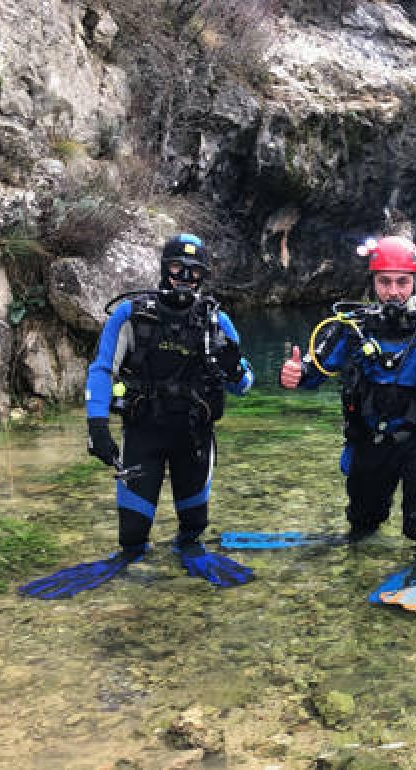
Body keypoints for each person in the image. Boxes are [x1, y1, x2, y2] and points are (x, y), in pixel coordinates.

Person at [20, 234, 256, 599]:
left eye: (194, 272)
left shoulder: (217, 323)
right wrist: (97, 426)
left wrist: (233, 366)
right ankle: (130, 558)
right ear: (164, 268)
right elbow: (102, 369)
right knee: (132, 538)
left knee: (194, 528)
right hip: (144, 434)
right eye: (178, 268)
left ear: (203, 277)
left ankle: (189, 548)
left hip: (193, 439)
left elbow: (245, 384)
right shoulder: (130, 315)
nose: (185, 278)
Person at [278, 235, 416, 583]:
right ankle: (359, 569)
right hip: (369, 437)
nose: (393, 291)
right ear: (372, 284)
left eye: (402, 282)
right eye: (384, 282)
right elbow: (314, 375)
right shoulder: (353, 329)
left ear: (415, 283)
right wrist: (295, 374)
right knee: (362, 517)